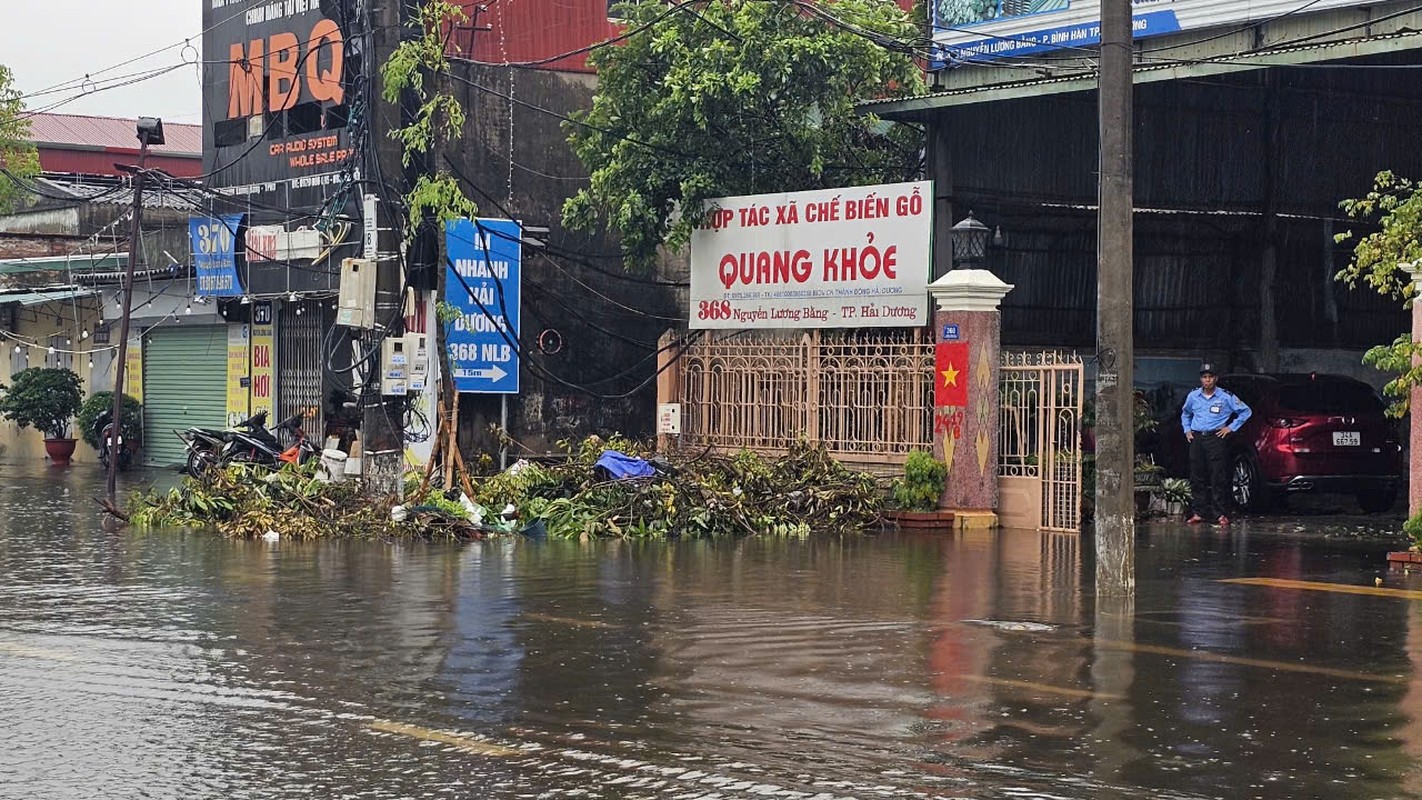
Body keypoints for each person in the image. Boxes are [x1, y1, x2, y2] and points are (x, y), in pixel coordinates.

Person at [1180, 363, 1252, 525]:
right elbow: (1185, 413)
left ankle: (1219, 513)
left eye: (1210, 377)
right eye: (1205, 377)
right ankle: (1198, 512)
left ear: (1216, 379)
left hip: (1215, 438)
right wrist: (1187, 430)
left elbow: (1245, 411)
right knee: (1197, 476)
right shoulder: (1193, 396)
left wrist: (1230, 428)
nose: (1207, 381)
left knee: (1217, 475)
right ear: (1201, 379)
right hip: (1197, 437)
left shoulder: (1225, 397)